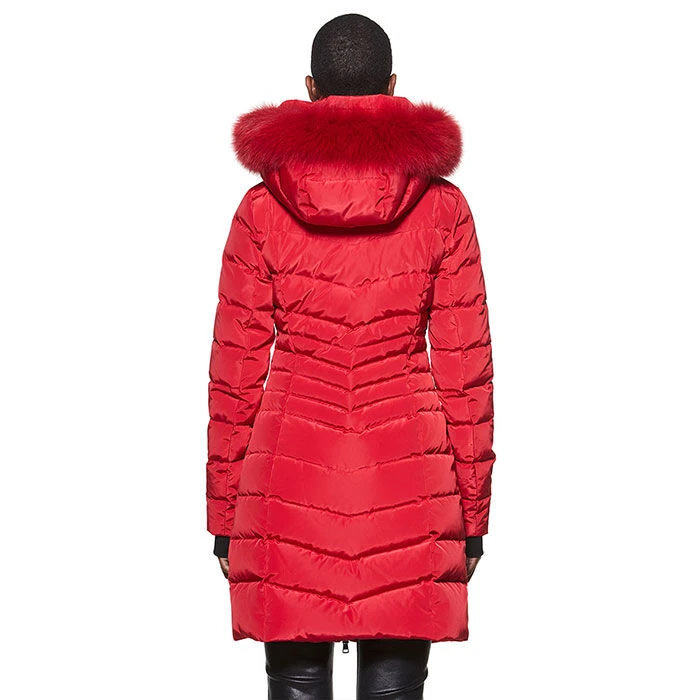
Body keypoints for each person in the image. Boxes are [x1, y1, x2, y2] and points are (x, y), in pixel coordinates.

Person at [205, 13, 496, 700]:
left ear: (310, 89)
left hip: (286, 487)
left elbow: (235, 376)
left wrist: (223, 517)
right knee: (396, 683)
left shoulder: (260, 210)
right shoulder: (444, 210)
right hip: (411, 486)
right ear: (392, 88)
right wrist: (472, 517)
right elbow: (467, 374)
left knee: (295, 680)